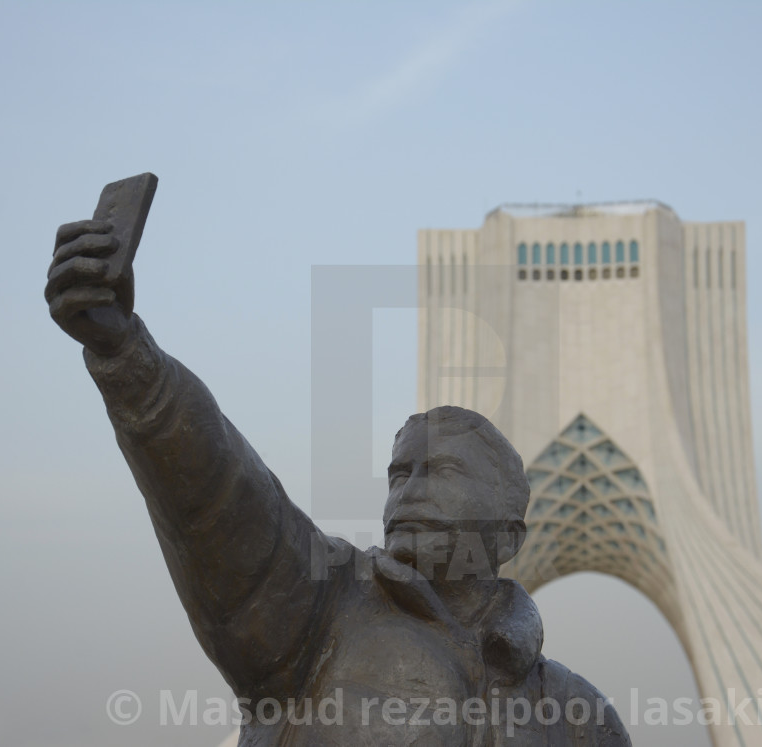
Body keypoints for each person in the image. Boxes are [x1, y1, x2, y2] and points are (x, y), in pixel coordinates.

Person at [46, 217, 631, 745]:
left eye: (442, 471)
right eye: (400, 473)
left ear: (508, 539)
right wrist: (127, 357)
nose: (409, 489)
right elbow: (220, 498)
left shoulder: (579, 717)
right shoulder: (317, 607)